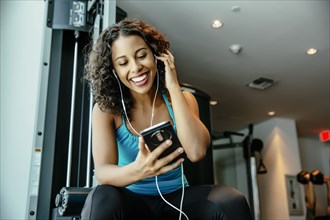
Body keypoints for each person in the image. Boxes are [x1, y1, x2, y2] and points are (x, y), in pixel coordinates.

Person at [80, 18, 253, 220]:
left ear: (156, 56)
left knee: (231, 200)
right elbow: (103, 173)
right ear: (114, 71)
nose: (135, 68)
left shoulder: (183, 99)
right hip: (132, 200)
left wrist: (172, 85)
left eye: (142, 55)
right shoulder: (106, 111)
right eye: (123, 63)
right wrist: (139, 170)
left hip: (177, 200)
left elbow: (196, 152)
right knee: (102, 197)